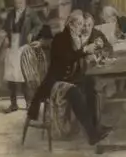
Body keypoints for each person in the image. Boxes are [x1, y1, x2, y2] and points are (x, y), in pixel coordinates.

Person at [28, 11, 110, 146]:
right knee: (75, 92)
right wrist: (84, 51)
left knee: (91, 83)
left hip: (68, 77)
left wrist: (90, 52)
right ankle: (92, 134)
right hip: (55, 81)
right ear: (70, 24)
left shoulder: (74, 38)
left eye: (83, 24)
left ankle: (96, 126)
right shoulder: (61, 38)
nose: (81, 27)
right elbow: (67, 58)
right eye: (78, 24)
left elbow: (76, 58)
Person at [0, 0, 40, 112]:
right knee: (11, 76)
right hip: (12, 46)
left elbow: (39, 25)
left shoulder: (31, 13)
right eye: (16, 0)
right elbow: (5, 28)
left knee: (24, 75)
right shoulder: (11, 14)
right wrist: (5, 36)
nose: (18, 2)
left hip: (23, 46)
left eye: (21, 0)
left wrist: (32, 33)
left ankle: (29, 103)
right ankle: (13, 104)